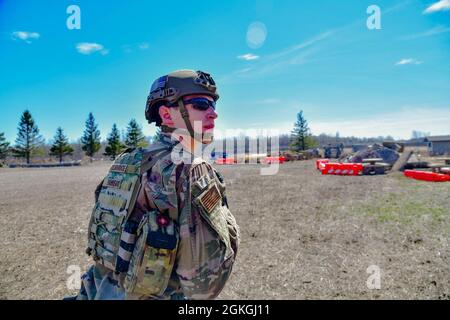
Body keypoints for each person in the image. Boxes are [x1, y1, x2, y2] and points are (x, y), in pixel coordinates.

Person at [73, 70, 240, 300]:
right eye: (201, 104)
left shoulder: (126, 161)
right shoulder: (192, 171)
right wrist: (229, 224)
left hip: (99, 290)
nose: (214, 114)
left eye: (213, 104)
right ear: (167, 115)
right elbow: (203, 287)